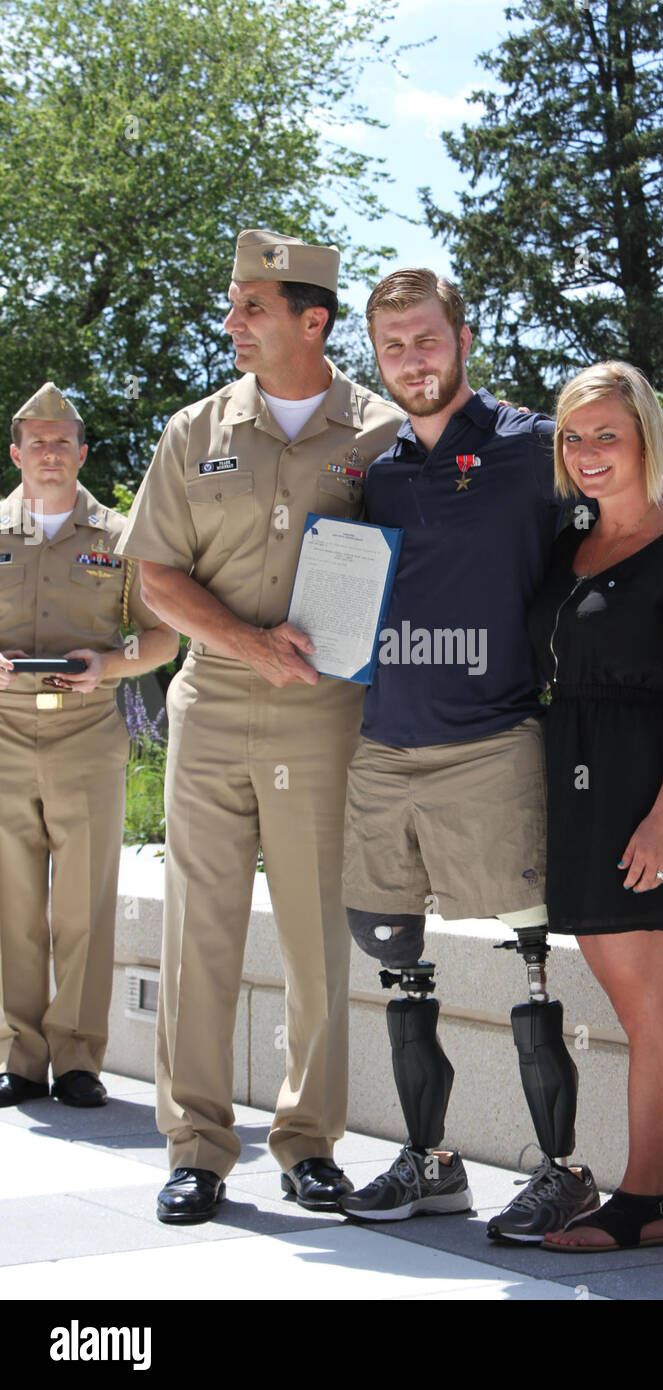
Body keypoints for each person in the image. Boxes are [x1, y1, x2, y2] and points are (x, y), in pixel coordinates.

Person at [115, 229, 404, 1224]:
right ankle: (194, 1147)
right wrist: (247, 643)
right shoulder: (195, 431)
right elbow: (155, 576)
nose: (231, 321)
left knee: (320, 936)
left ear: (311, 320)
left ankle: (308, 1142)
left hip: (327, 721)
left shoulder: (379, 434)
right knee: (201, 929)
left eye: (251, 307)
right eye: (232, 303)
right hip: (213, 712)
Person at [338, 269, 601, 1243]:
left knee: (528, 963)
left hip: (493, 741)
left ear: (461, 335)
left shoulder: (537, 446)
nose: (411, 358)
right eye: (392, 345)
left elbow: (623, 529)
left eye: (425, 338)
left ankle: (564, 1172)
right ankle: (430, 1161)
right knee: (397, 964)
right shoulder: (377, 468)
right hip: (379, 747)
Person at [525, 361, 663, 1251]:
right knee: (655, 1007)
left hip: (646, 796)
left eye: (607, 434)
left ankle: (640, 1201)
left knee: (645, 1009)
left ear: (646, 435)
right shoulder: (571, 538)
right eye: (574, 437)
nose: (587, 454)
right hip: (578, 786)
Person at [0, 383, 177, 1109]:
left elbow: (164, 633)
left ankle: (76, 1057)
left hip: (87, 734)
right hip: (4, 735)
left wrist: (113, 665)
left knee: (84, 903)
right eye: (36, 442)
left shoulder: (122, 537)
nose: (50, 453)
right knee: (11, 903)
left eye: (62, 441)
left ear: (81, 451)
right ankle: (18, 1054)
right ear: (16, 453)